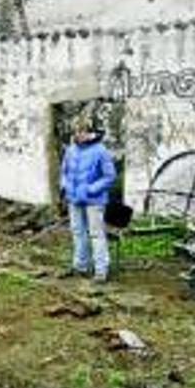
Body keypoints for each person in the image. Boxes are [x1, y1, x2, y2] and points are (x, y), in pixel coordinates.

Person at [59, 115, 117, 283]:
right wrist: (65, 187)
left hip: (94, 200)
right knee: (78, 232)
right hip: (74, 199)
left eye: (82, 131)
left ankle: (101, 271)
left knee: (96, 234)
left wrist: (90, 189)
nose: (79, 134)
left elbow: (109, 176)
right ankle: (80, 266)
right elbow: (64, 172)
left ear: (90, 131)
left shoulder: (100, 150)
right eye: (76, 131)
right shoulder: (71, 150)